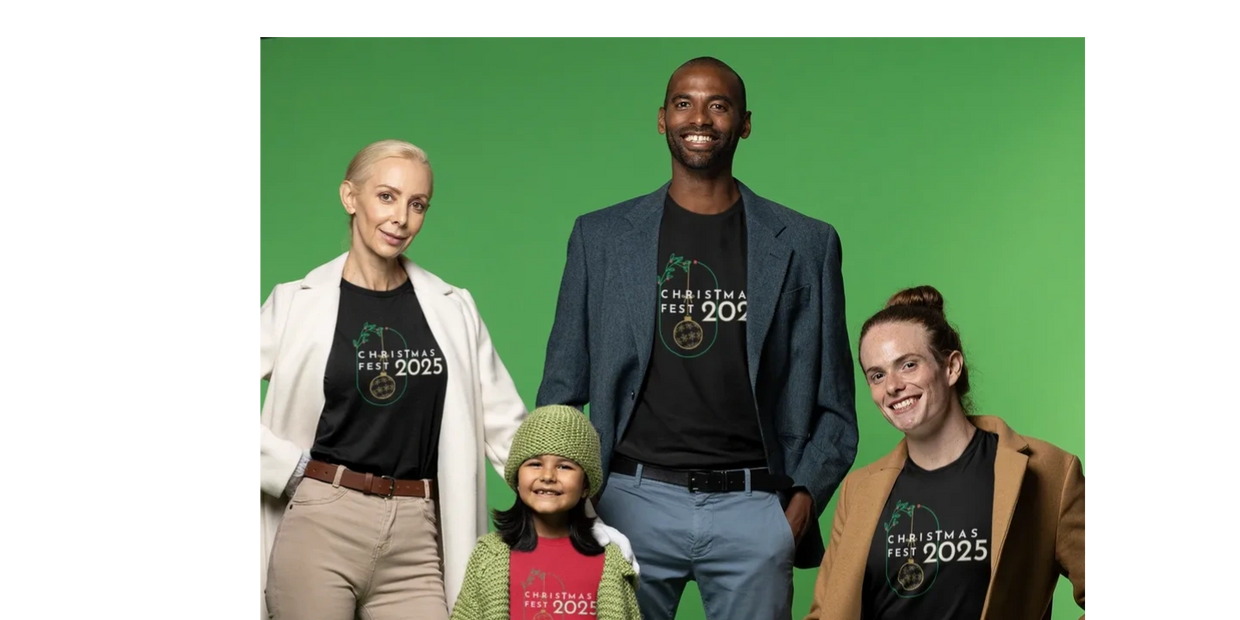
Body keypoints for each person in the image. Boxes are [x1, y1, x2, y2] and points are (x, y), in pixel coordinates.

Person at [536, 56, 859, 620]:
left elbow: (834, 402)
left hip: (757, 507)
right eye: (684, 103)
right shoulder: (602, 238)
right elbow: (561, 391)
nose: (700, 117)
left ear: (745, 122)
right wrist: (571, 504)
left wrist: (801, 504)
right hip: (625, 503)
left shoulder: (807, 244)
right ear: (662, 119)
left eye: (719, 104)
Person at [257, 139, 633, 620]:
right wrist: (286, 467)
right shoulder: (296, 304)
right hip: (322, 520)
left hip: (418, 532)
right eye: (387, 197)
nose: (401, 219)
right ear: (350, 197)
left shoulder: (452, 307)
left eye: (418, 205)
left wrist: (587, 517)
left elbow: (509, 431)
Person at [803, 285, 1088, 620]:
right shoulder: (858, 490)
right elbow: (824, 612)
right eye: (877, 375)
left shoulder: (1050, 471)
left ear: (951, 367)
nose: (892, 386)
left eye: (908, 365)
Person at [450, 405, 642, 620]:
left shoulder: (612, 560)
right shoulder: (489, 555)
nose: (548, 476)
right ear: (516, 478)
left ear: (586, 485)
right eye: (535, 464)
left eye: (564, 467)